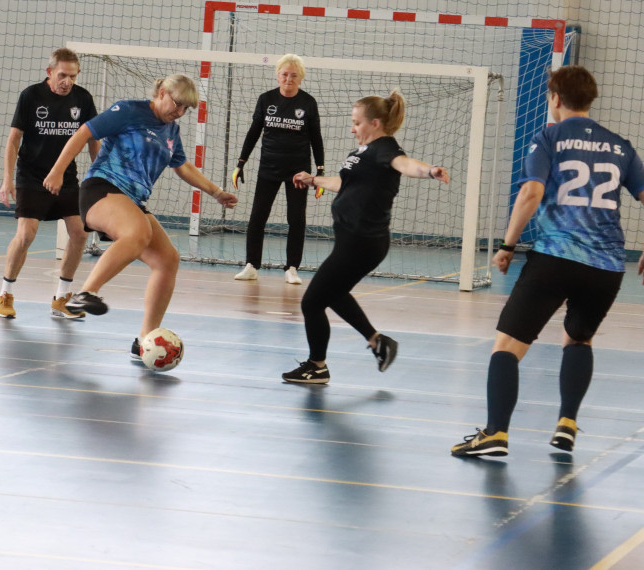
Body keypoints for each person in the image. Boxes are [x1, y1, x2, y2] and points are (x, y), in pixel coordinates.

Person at [452, 66, 644, 457]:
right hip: (607, 267)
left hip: (556, 258)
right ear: (589, 98)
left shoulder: (549, 136)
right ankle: (567, 423)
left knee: (506, 345)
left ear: (555, 98)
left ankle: (495, 434)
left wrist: (507, 245)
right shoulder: (621, 145)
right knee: (578, 339)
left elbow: (531, 193)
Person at [42, 74, 238, 359]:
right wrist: (58, 170)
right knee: (137, 232)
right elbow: (85, 132)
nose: (179, 112)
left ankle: (145, 340)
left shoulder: (171, 131)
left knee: (168, 259)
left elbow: (182, 167)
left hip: (133, 201)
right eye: (177, 103)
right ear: (161, 92)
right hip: (102, 188)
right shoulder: (130, 110)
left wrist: (216, 192)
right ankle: (87, 293)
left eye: (186, 109)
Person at [281, 90, 450, 384]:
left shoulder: (385, 148)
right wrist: (313, 179)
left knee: (312, 302)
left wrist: (429, 171)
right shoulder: (360, 154)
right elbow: (345, 185)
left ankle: (317, 366)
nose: (352, 128)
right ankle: (377, 342)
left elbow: (405, 164)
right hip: (353, 240)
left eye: (356, 123)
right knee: (331, 294)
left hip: (362, 241)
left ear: (374, 123)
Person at [0, 48, 99, 319]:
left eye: (73, 76)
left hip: (66, 176)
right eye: (62, 75)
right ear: (50, 72)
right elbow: (14, 139)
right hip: (32, 176)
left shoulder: (83, 99)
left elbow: (93, 139)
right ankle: (5, 294)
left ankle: (61, 298)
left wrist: (100, 175)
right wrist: (8, 178)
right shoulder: (31, 96)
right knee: (26, 234)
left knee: (79, 233)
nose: (67, 81)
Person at [232, 54, 325, 284]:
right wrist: (241, 163)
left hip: (298, 172)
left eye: (294, 75)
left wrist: (319, 172)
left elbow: (316, 138)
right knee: (257, 217)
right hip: (269, 168)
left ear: (300, 78)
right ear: (277, 75)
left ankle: (292, 268)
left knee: (296, 218)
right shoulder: (266, 100)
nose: (288, 79)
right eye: (284, 74)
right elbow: (254, 132)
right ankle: (252, 265)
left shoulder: (308, 103)